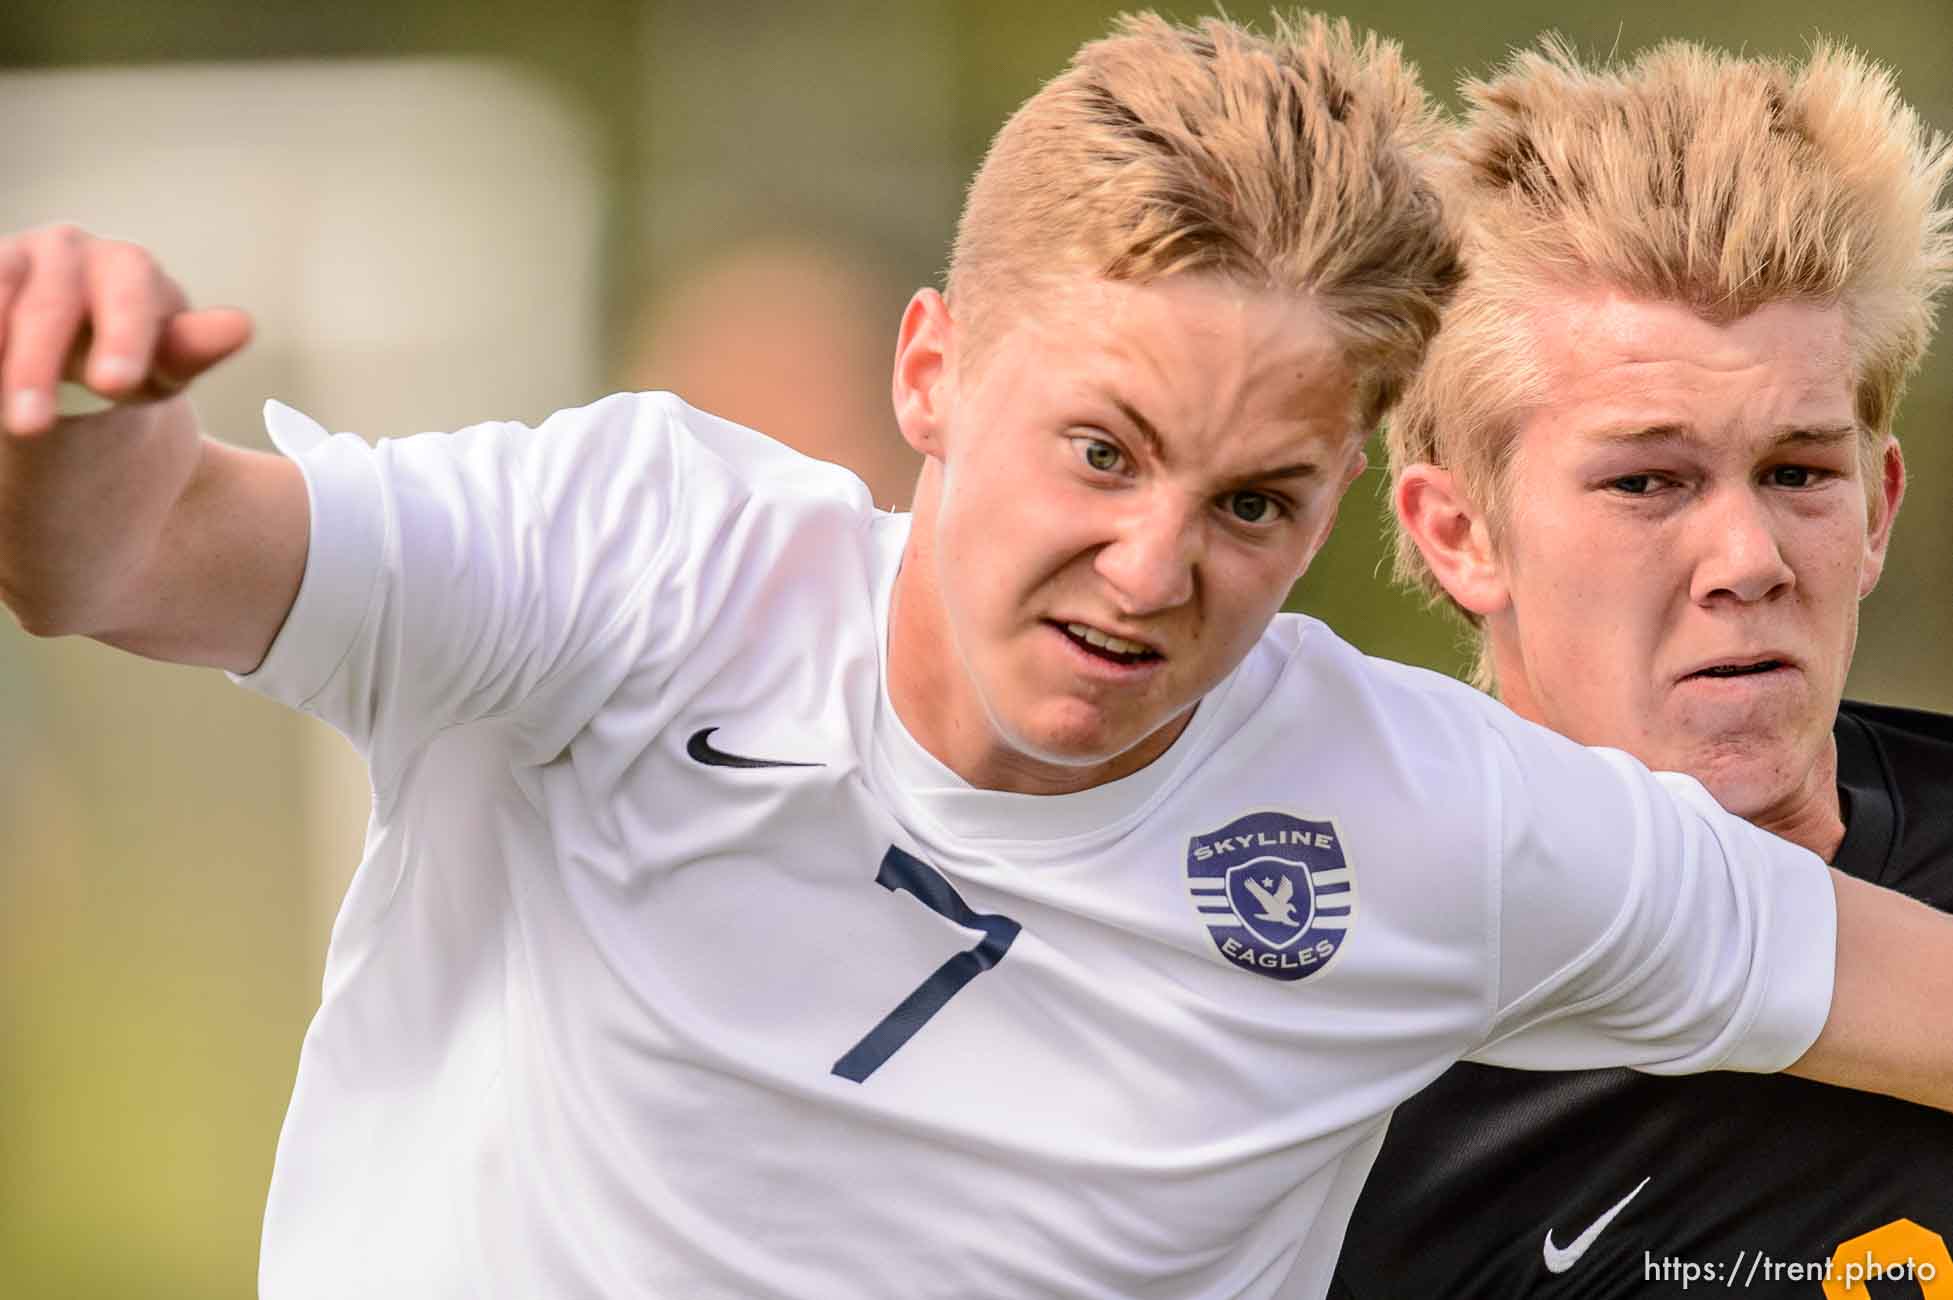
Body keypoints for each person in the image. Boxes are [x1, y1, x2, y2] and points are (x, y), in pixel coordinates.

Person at [2, 13, 1951, 1299]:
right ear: (929, 371)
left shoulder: (1423, 821)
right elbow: (135, 551)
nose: (1149, 561)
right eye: (1098, 451)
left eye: (1254, 502)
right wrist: (69, 412)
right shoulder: (628, 568)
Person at [1333, 38, 1953, 1298]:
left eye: (1798, 472)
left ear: (1879, 506)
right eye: (1647, 482)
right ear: (1459, 533)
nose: (1747, 557)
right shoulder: (1323, 997)